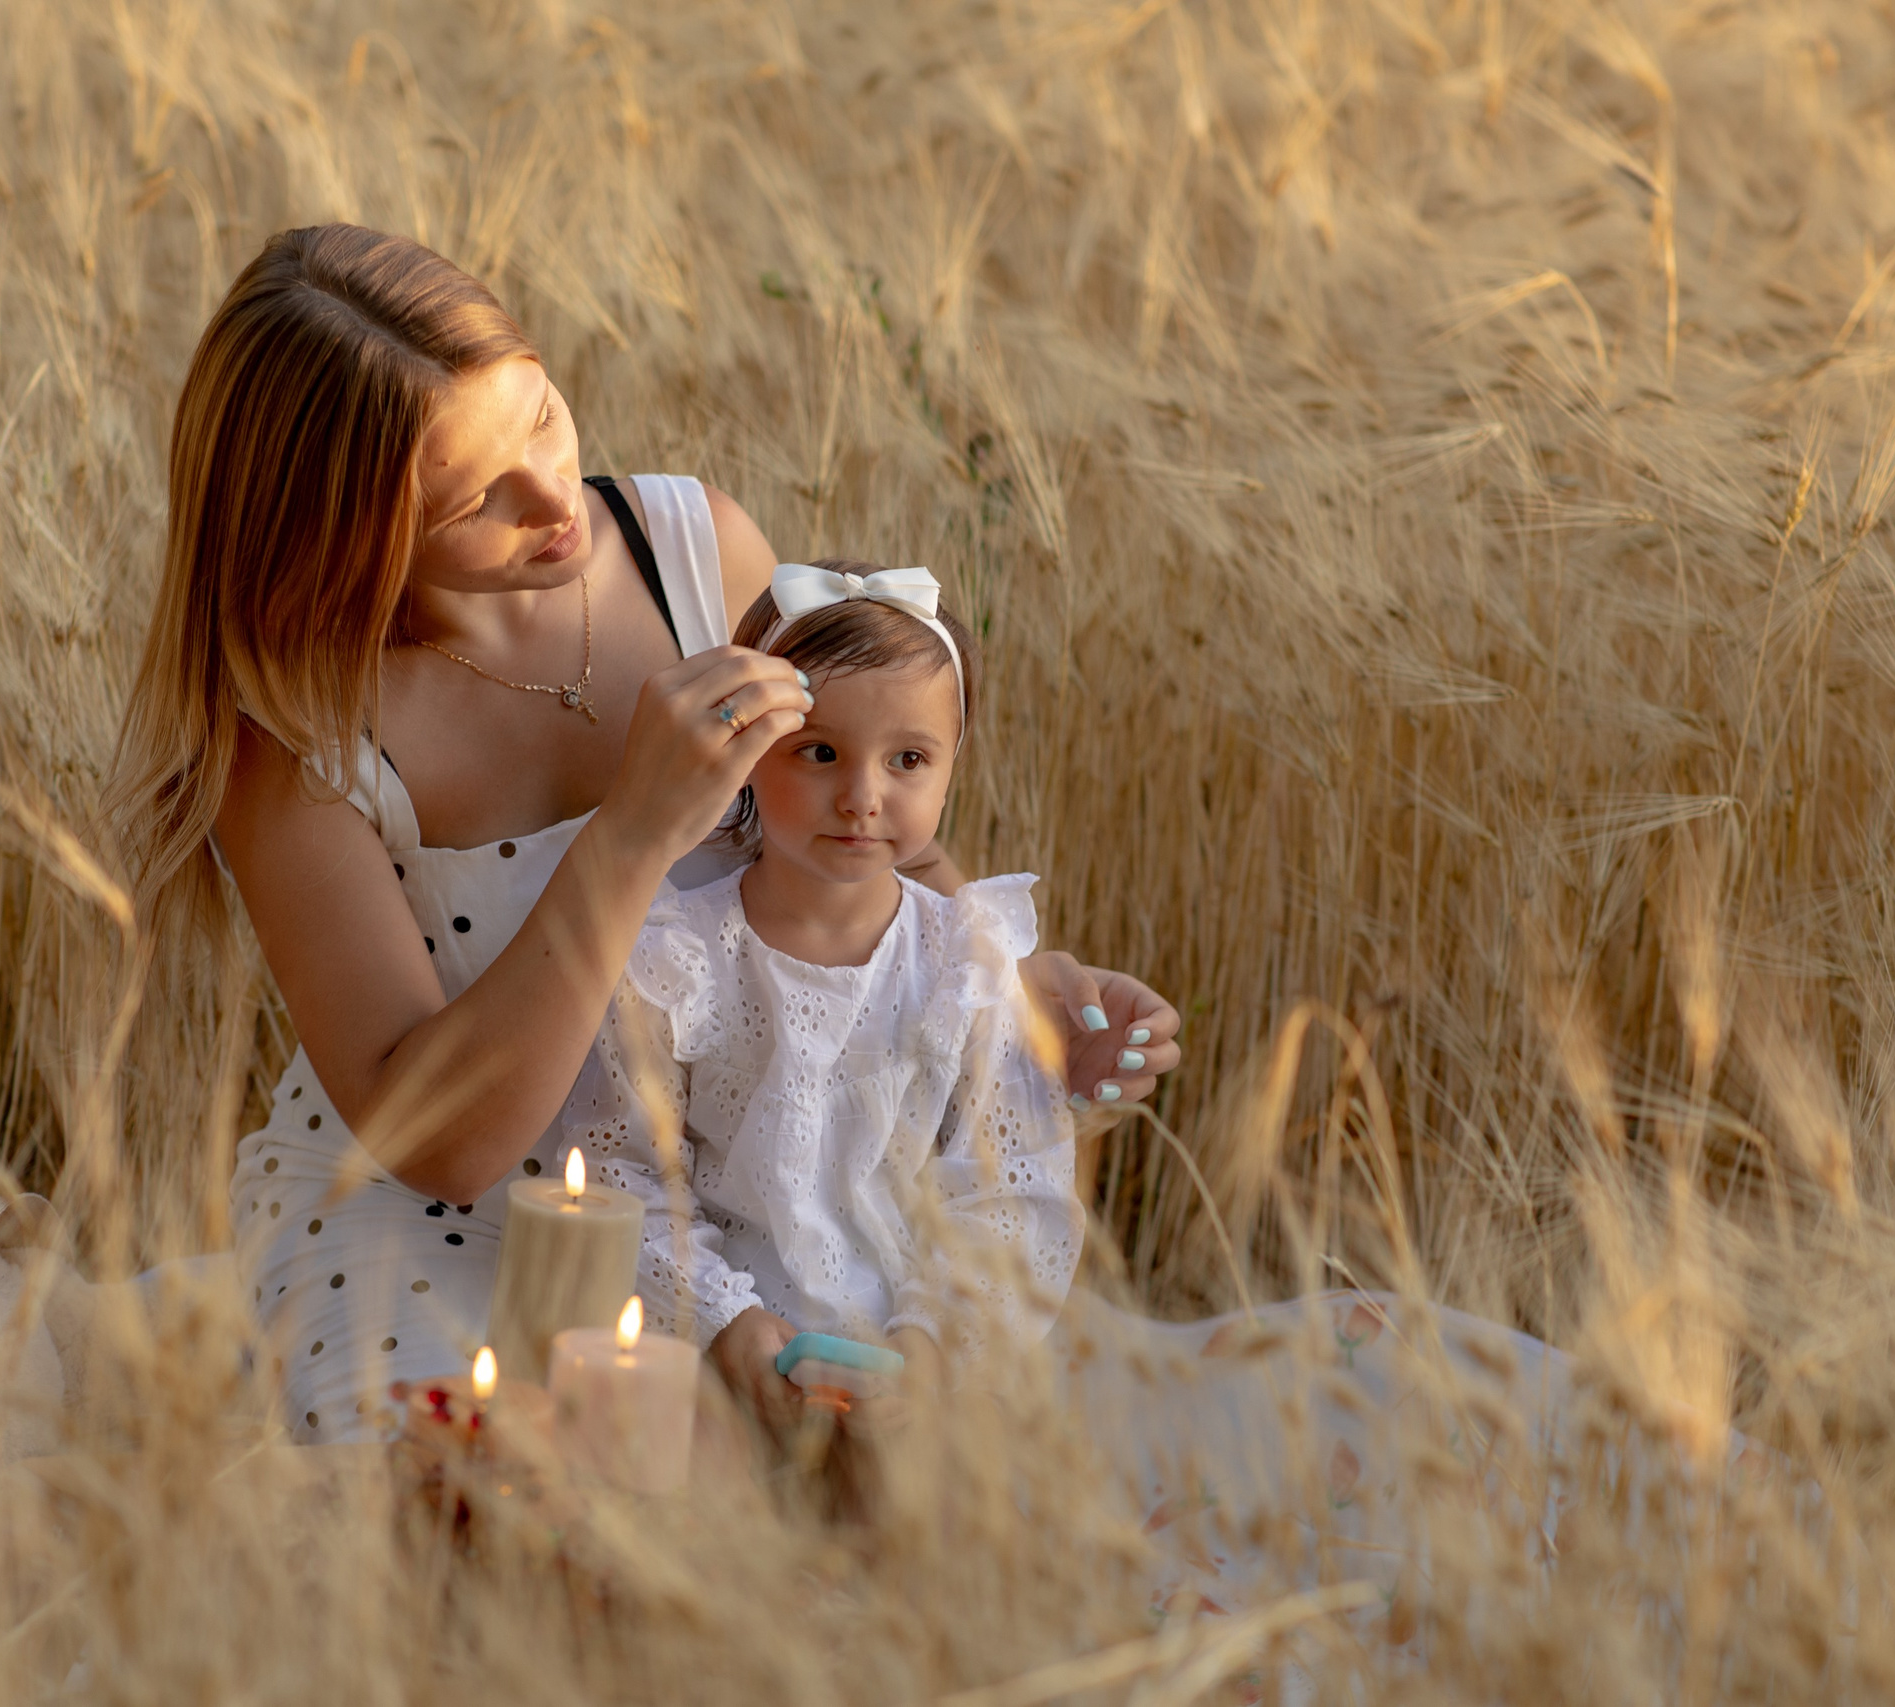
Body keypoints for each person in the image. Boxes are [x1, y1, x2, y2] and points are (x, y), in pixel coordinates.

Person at [106, 225, 1179, 1443]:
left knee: (869, 1473)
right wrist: (630, 836)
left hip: (719, 1198)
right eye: (475, 500)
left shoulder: (689, 552)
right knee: (499, 1516)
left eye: (543, 417)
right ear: (343, 538)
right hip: (428, 1225)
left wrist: (1008, 987)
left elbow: (855, 834)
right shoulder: (295, 738)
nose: (552, 496)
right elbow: (439, 1149)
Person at [545, 561, 1081, 1430]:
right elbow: (621, 1169)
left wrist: (931, 1346)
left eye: (909, 758)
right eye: (820, 752)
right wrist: (728, 1321)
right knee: (698, 1486)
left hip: (918, 1356)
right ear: (750, 752)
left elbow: (1011, 1186)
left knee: (927, 1508)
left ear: (953, 766)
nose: (863, 797)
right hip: (726, 1339)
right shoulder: (678, 957)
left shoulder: (965, 963)